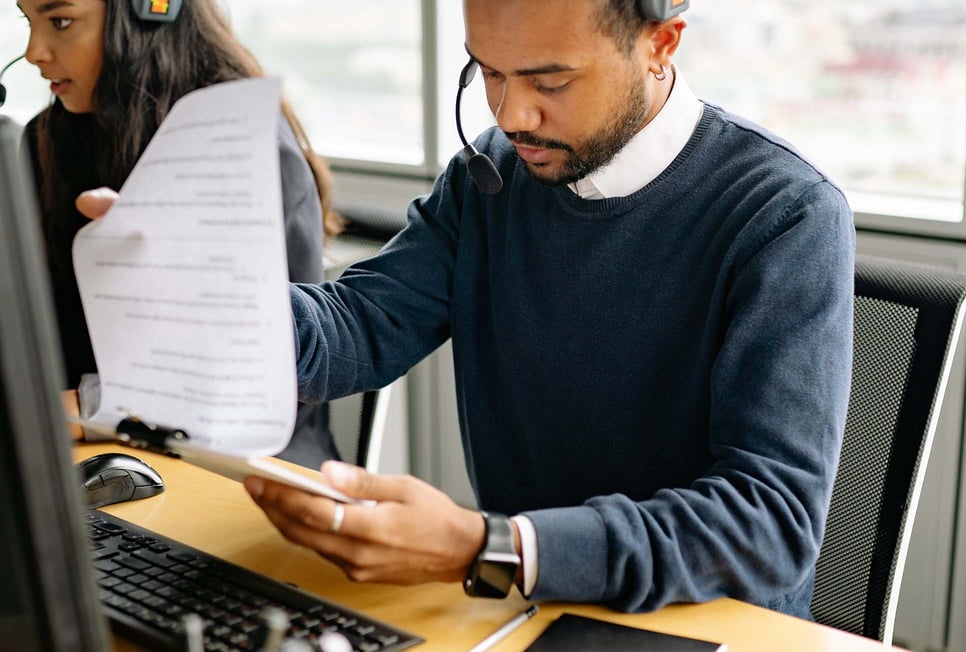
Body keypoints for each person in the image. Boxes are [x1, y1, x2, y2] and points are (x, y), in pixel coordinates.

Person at [80, 0, 856, 618]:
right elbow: (358, 326)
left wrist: (494, 548)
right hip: (519, 605)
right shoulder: (489, 180)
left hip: (704, 622)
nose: (513, 114)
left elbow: (769, 522)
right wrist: (213, 287)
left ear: (661, 44)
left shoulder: (785, 216)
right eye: (488, 71)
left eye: (549, 82)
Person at [19, 0, 343, 468]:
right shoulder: (47, 140)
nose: (34, 52)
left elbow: (256, 381)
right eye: (27, 21)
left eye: (61, 22)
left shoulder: (240, 149)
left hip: (241, 471)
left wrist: (86, 409)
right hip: (95, 453)